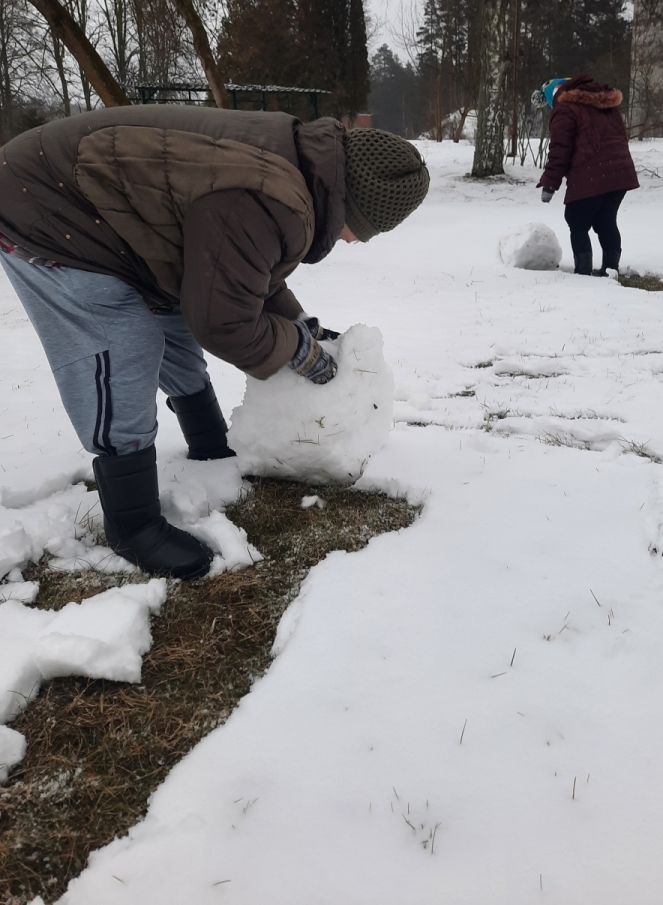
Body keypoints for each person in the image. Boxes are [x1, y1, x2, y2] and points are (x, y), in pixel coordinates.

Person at [0, 107, 429, 579]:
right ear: (353, 205)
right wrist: (295, 350)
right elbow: (223, 321)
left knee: (173, 318)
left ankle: (207, 443)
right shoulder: (273, 194)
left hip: (108, 215)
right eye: (363, 231)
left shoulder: (296, 166)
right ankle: (132, 525)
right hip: (47, 206)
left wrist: (298, 321)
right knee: (124, 343)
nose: (354, 243)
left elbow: (238, 263)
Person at [534, 74, 639, 276]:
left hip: (592, 171)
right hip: (620, 173)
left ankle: (582, 272)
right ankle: (610, 269)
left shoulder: (564, 109)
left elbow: (560, 149)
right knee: (605, 220)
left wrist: (550, 183)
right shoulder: (604, 102)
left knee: (576, 219)